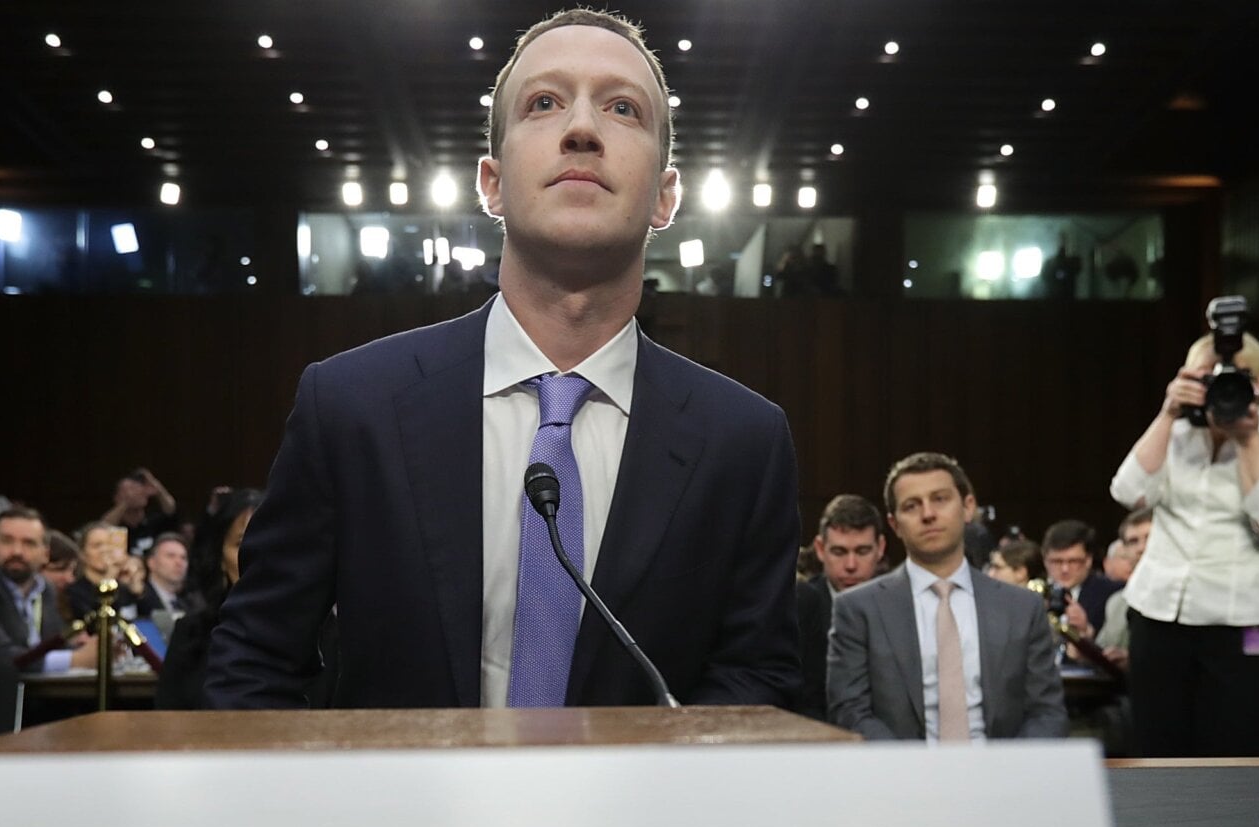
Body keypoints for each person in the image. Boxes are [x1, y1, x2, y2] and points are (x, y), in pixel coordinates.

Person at [206, 10, 800, 710]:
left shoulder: (743, 440)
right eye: (544, 103)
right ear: (490, 183)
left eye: (622, 108)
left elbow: (758, 684)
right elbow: (253, 660)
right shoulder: (348, 405)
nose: (581, 129)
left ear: (665, 198)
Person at [1110, 328, 1259, 756]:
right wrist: (1167, 414)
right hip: (1159, 614)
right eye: (1206, 374)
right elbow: (1128, 492)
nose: (1219, 383)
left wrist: (1247, 439)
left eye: (1235, 374)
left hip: (1247, 622)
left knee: (1234, 752)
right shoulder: (1176, 433)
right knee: (1156, 747)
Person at [826, 452, 1066, 742]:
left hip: (1004, 777)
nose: (928, 514)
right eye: (912, 506)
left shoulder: (1022, 608)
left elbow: (1046, 713)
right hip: (901, 778)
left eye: (940, 499)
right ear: (895, 525)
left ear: (967, 507)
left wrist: (1009, 775)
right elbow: (850, 712)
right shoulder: (857, 609)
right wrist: (918, 777)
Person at [0, 507, 98, 671]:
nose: (17, 551)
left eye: (28, 543)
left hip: (31, 691)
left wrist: (91, 651)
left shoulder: (45, 588)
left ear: (45, 554)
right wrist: (75, 659)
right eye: (7, 541)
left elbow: (45, 650)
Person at [792, 494, 886, 721]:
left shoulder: (900, 604)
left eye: (862, 551)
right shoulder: (799, 607)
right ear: (820, 549)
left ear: (880, 548)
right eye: (839, 552)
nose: (851, 566)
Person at [1096, 507, 1155, 665]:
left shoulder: (1189, 599)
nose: (1141, 548)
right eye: (1133, 541)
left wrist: (1136, 660)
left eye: (1149, 538)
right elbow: (1103, 650)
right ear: (1125, 550)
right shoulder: (1116, 602)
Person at [1041, 519, 1121, 636]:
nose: (1065, 569)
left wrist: (1088, 631)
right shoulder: (1031, 596)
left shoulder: (1112, 594)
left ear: (1088, 560)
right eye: (1057, 561)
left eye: (1073, 561)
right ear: (1045, 561)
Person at [67, 521, 146, 622]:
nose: (105, 550)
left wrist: (138, 590)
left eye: (109, 544)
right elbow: (95, 622)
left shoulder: (123, 589)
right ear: (83, 554)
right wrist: (108, 579)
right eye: (97, 546)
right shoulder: (75, 592)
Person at [101, 469, 180, 558]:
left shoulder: (153, 521)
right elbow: (102, 527)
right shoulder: (117, 526)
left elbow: (171, 510)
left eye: (139, 488)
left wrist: (157, 488)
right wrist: (125, 503)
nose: (137, 492)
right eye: (130, 489)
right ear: (117, 498)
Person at [137, 533, 195, 617]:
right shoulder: (138, 598)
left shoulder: (190, 607)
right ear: (151, 562)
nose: (179, 562)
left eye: (183, 558)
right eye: (170, 556)